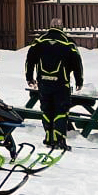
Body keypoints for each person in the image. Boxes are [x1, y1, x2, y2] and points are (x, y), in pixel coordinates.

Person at [25, 17, 83, 150]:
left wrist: (29, 77)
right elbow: (77, 64)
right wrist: (79, 80)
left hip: (43, 82)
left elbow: (30, 60)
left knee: (46, 109)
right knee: (61, 111)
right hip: (61, 83)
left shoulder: (39, 41)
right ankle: (59, 139)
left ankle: (49, 137)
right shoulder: (68, 42)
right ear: (62, 27)